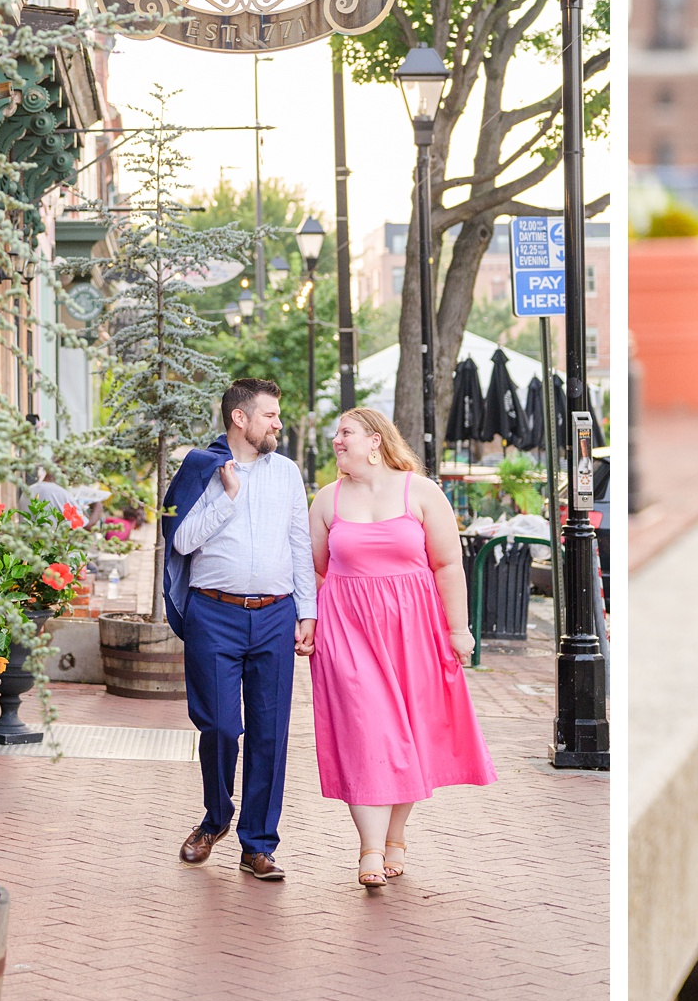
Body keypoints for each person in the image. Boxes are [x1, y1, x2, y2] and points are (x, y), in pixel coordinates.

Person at [307, 407, 496, 889]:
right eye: (336, 434)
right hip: (347, 629)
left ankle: (396, 835)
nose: (336, 440)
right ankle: (369, 847)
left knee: (408, 732)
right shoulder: (327, 501)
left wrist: (459, 631)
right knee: (367, 731)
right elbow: (314, 570)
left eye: (345, 433)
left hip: (415, 629)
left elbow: (448, 566)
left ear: (375, 440)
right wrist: (305, 620)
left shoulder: (422, 491)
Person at [162, 378, 315, 883]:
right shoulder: (201, 469)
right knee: (221, 726)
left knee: (270, 734)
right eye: (270, 415)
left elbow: (298, 544)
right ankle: (215, 818)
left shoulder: (287, 473)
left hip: (274, 615)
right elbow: (180, 541)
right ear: (240, 419)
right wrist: (226, 498)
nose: (278, 423)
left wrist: (306, 611)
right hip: (214, 614)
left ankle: (258, 845)